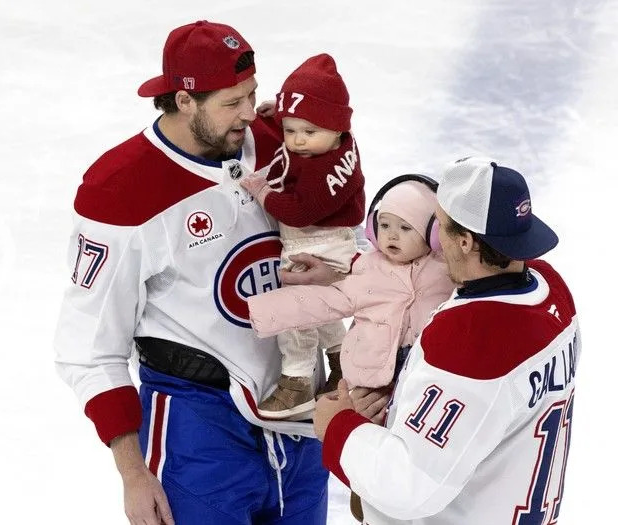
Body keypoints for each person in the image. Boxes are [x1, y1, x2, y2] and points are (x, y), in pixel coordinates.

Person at [53, 20, 387, 525]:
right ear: (184, 100)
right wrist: (133, 474)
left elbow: (349, 233)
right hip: (197, 428)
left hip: (301, 417)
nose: (251, 114)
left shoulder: (283, 139)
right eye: (232, 103)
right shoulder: (122, 190)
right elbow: (89, 349)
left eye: (253, 95)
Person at [314, 156, 580, 525]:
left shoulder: (470, 340)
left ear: (466, 241)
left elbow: (407, 488)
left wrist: (339, 427)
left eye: (438, 226)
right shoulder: (553, 291)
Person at [247, 174, 457, 520]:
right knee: (369, 469)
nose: (391, 236)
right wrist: (263, 310)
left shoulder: (445, 271)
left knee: (410, 467)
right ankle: (366, 508)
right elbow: (329, 301)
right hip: (371, 381)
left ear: (433, 234)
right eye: (385, 225)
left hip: (421, 382)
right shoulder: (368, 268)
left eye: (405, 229)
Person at [240, 54, 366, 419]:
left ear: (338, 129)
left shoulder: (325, 169)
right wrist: (276, 114)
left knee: (294, 313)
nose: (296, 141)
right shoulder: (330, 137)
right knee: (322, 309)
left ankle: (296, 381)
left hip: (315, 243)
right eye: (290, 130)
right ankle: (342, 359)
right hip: (325, 240)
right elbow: (304, 118)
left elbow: (297, 210)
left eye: (307, 133)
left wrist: (260, 189)